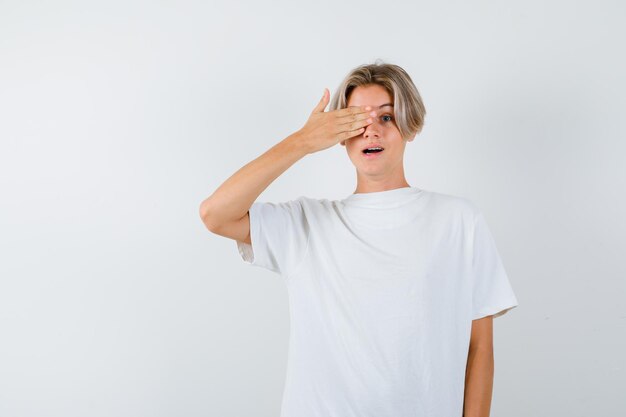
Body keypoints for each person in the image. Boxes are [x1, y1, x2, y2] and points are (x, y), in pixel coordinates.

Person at [199, 60, 519, 417]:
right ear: (340, 135)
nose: (372, 131)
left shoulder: (458, 221)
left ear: (410, 125)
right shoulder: (307, 224)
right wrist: (302, 141)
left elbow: (480, 348)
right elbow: (216, 214)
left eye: (386, 117)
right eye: (356, 120)